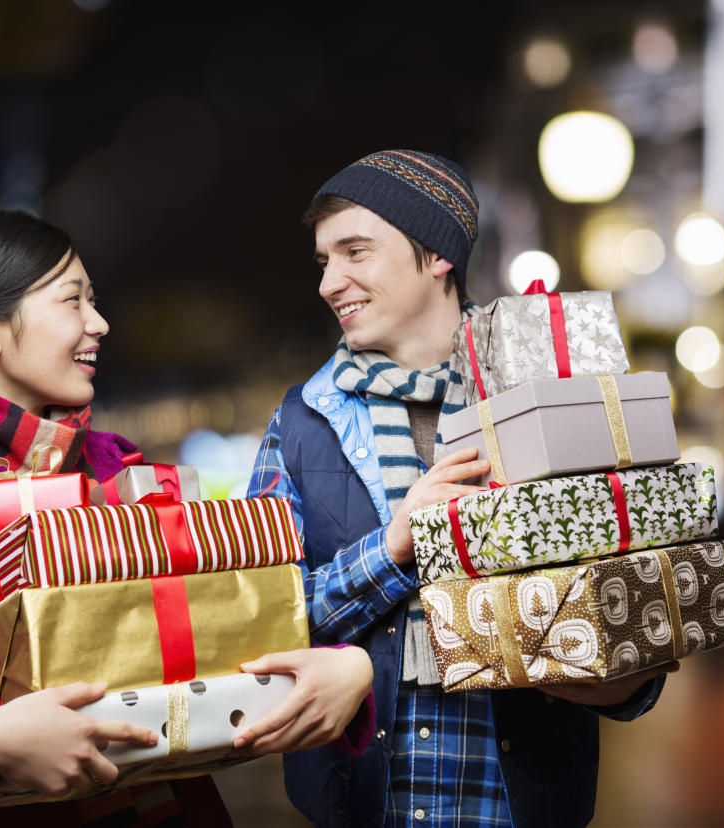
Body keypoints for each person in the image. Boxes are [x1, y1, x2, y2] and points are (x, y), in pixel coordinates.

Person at [0, 209, 374, 827]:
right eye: (73, 301)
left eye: (94, 301)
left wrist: (346, 669)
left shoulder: (123, 472)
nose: (99, 324)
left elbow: (221, 637)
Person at [248, 150, 677, 827]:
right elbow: (258, 618)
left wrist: (623, 679)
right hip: (362, 807)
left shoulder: (546, 396)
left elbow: (634, 617)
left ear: (437, 254)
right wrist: (395, 546)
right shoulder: (300, 424)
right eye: (323, 261)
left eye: (355, 252)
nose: (332, 282)